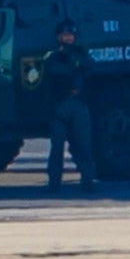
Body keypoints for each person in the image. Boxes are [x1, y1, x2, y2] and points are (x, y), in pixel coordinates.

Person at [44, 18, 96, 191]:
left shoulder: (82, 54)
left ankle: (87, 180)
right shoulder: (53, 56)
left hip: (79, 103)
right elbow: (54, 72)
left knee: (84, 145)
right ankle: (54, 182)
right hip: (60, 105)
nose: (68, 38)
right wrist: (74, 67)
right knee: (57, 147)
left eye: (71, 35)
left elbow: (91, 71)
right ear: (59, 37)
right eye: (65, 35)